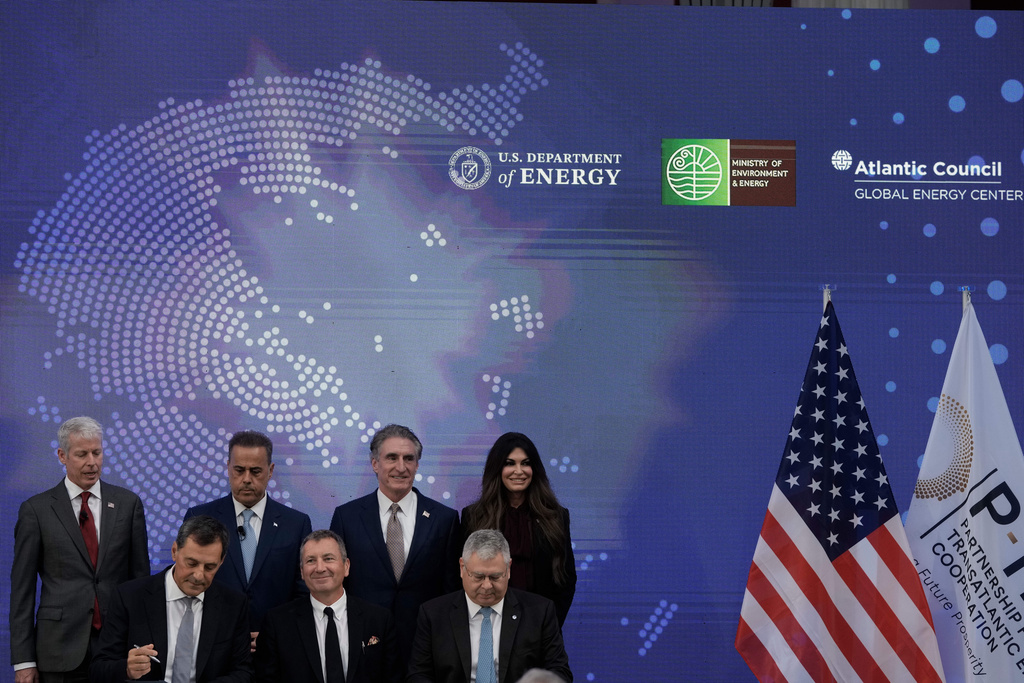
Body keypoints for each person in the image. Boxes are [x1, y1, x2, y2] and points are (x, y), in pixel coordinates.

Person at [9, 417, 150, 683]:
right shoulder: (36, 511)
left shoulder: (128, 504)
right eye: (82, 454)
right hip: (58, 651)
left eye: (97, 452)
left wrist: (139, 643)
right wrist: (24, 661)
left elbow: (139, 582)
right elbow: (22, 591)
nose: (92, 462)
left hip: (116, 649)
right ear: (62, 456)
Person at [329, 424, 461, 670]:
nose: (401, 467)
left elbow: (451, 590)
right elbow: (337, 585)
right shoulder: (347, 517)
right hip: (361, 648)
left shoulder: (445, 520)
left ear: (418, 465)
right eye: (392, 457)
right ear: (374, 464)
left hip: (425, 651)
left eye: (409, 458)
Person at [184, 430, 313, 651]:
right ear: (227, 468)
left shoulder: (296, 524)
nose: (246, 479)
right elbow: (186, 584)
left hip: (276, 649)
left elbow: (303, 592)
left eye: (255, 471)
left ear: (270, 471)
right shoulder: (199, 518)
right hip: (212, 647)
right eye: (239, 470)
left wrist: (277, 633)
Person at [90, 515, 252, 683]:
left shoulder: (233, 605)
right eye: (191, 563)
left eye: (210, 567)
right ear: (174, 551)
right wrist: (127, 669)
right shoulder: (130, 596)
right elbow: (98, 669)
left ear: (221, 562)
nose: (198, 575)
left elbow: (244, 673)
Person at [407, 529, 572, 683]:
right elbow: (418, 675)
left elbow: (559, 672)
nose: (487, 586)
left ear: (508, 570)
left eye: (495, 576)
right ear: (462, 567)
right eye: (478, 577)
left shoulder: (539, 612)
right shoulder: (433, 614)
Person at [253, 530, 400, 683]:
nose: (320, 568)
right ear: (302, 572)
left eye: (328, 558)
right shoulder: (277, 623)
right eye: (310, 561)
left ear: (346, 566)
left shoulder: (379, 620)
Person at [460, 433, 576, 626]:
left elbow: (566, 578)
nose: (519, 471)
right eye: (510, 463)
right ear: (497, 468)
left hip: (540, 627)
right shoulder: (473, 517)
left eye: (526, 463)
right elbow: (463, 578)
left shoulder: (556, 516)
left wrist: (549, 625)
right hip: (487, 626)